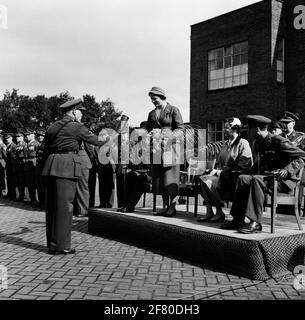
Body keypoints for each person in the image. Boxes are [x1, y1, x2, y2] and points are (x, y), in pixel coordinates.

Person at [42, 98, 109, 255]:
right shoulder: (76, 127)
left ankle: (52, 243)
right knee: (65, 207)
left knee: (52, 207)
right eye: (80, 112)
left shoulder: (53, 126)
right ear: (73, 112)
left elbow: (46, 147)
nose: (82, 116)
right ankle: (61, 246)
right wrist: (108, 137)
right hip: (66, 167)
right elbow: (97, 141)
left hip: (51, 165)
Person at [221, 115, 305, 234]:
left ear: (256, 130)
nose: (247, 132)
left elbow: (302, 156)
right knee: (242, 178)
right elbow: (258, 165)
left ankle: (255, 223)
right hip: (267, 178)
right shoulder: (259, 143)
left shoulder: (279, 141)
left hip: (283, 181)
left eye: (248, 129)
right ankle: (238, 219)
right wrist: (244, 172)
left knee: (257, 180)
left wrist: (287, 170)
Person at [197, 117, 253, 223]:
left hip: (234, 178)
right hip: (224, 176)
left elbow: (244, 165)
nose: (224, 130)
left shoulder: (243, 143)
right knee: (203, 179)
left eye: (227, 127)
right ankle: (210, 212)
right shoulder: (226, 144)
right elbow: (220, 163)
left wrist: (219, 172)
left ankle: (219, 213)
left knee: (207, 181)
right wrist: (213, 170)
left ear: (234, 128)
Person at [145, 86, 184, 217]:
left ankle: (172, 207)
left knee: (170, 178)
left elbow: (180, 129)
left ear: (161, 97)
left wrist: (167, 136)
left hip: (170, 149)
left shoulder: (173, 110)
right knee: (160, 179)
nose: (153, 101)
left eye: (154, 99)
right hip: (156, 150)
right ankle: (165, 206)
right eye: (151, 99)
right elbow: (146, 129)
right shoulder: (151, 114)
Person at [24, 129, 40, 206]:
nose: (26, 136)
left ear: (32, 135)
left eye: (28, 135)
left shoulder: (36, 144)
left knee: (34, 184)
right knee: (29, 184)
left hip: (34, 165)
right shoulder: (27, 144)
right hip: (27, 166)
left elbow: (38, 155)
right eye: (25, 135)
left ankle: (36, 200)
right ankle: (32, 199)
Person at [14, 131, 27, 202]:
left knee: (23, 181)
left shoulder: (25, 145)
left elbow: (26, 155)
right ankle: (21, 195)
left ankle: (24, 196)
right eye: (16, 137)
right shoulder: (17, 145)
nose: (17, 138)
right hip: (18, 164)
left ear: (22, 137)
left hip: (23, 164)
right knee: (18, 181)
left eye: (18, 137)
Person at [35, 129, 46, 209]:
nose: (39, 137)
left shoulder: (46, 144)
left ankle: (45, 204)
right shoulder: (38, 144)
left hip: (44, 167)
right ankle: (40, 202)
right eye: (38, 136)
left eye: (41, 136)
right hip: (38, 167)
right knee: (39, 186)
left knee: (43, 187)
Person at [4, 133, 16, 200]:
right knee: (9, 180)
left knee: (12, 181)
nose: (7, 139)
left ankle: (13, 195)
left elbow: (14, 156)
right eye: (6, 138)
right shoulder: (8, 146)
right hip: (8, 165)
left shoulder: (13, 145)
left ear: (11, 138)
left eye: (8, 138)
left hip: (12, 165)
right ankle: (10, 193)